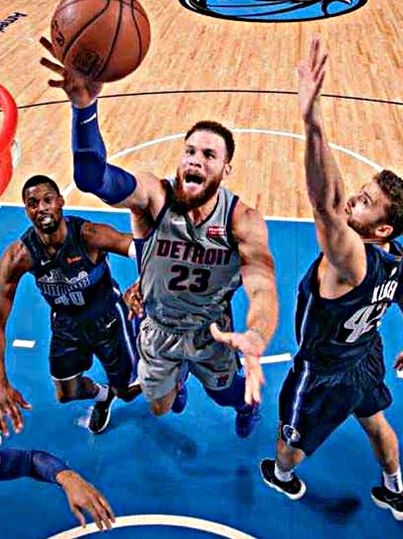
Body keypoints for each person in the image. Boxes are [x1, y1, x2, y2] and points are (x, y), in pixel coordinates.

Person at [39, 38, 279, 438]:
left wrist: (256, 333)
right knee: (160, 407)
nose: (195, 160)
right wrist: (84, 108)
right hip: (158, 326)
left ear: (226, 169)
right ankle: (176, 380)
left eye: (209, 155)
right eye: (190, 152)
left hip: (210, 330)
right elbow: (92, 177)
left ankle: (243, 404)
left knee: (225, 395)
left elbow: (262, 286)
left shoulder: (242, 220)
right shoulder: (154, 198)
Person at [256, 37, 403, 522]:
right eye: (362, 191)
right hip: (366, 357)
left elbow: (325, 204)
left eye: (367, 202)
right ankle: (396, 491)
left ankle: (283, 476)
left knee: (291, 439)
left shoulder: (351, 260)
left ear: (382, 229)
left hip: (323, 371)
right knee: (376, 423)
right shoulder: (398, 259)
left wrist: (313, 124)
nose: (355, 198)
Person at [0, 175, 142, 435]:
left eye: (47, 200)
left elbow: (144, 250)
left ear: (60, 202)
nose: (41, 208)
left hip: (108, 319)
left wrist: (142, 284)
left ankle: (165, 361)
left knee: (128, 392)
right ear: (27, 211)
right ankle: (103, 395)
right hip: (67, 323)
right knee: (67, 393)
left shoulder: (89, 235)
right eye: (33, 203)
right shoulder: (20, 256)